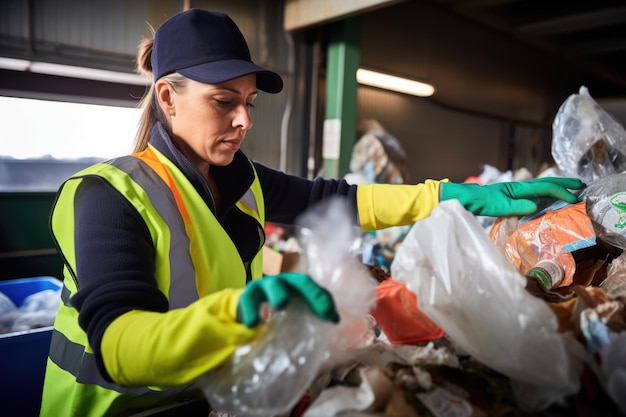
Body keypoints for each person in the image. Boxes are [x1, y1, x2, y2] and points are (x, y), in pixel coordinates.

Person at [39, 8, 586, 417]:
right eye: (223, 102)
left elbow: (338, 201)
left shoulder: (238, 179)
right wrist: (236, 314)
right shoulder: (107, 197)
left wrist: (449, 196)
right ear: (167, 97)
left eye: (248, 104)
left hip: (206, 402)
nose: (244, 121)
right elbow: (119, 344)